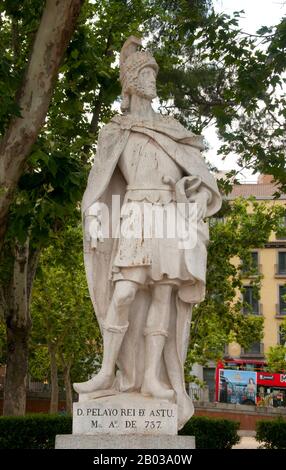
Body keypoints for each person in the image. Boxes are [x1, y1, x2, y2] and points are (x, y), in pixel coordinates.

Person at [73, 36, 221, 428]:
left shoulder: (172, 128)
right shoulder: (115, 130)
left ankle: (153, 378)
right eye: (146, 74)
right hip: (136, 212)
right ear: (131, 81)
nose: (153, 80)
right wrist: (92, 216)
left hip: (170, 215)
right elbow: (98, 185)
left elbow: (202, 178)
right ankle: (108, 372)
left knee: (164, 294)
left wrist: (195, 190)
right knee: (123, 293)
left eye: (154, 73)